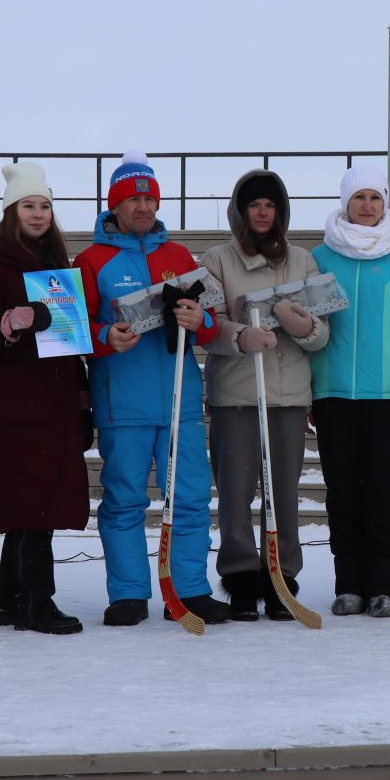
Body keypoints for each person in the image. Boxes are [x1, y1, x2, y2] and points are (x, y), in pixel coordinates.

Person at [73, 151, 230, 627]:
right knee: (123, 500)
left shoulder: (180, 256)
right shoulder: (92, 259)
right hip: (124, 403)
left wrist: (198, 319)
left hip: (179, 400)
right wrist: (105, 338)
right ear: (114, 205)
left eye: (149, 198)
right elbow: (76, 329)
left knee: (189, 497)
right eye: (133, 198)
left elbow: (208, 327)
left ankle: (190, 589)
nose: (143, 206)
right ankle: (128, 593)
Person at [0, 163, 92, 635]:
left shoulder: (54, 262)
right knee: (34, 503)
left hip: (53, 401)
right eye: (29, 206)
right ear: (12, 212)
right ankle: (38, 602)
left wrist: (80, 393)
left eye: (45, 206)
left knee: (37, 501)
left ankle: (13, 600)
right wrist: (7, 324)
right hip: (15, 403)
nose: (38, 214)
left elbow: (70, 339)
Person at [199, 170, 329, 621]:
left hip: (288, 395)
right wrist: (238, 336)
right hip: (236, 393)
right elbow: (206, 323)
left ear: (280, 212)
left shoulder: (304, 261)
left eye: (269, 205)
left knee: (283, 494)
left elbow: (322, 329)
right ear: (241, 210)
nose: (261, 212)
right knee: (235, 491)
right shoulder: (217, 260)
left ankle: (282, 576)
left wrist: (304, 327)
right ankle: (239, 576)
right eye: (253, 204)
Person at [310, 162, 390, 618]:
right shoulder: (322, 258)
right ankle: (349, 585)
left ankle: (384, 585)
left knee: (383, 492)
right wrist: (310, 393)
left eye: (375, 198)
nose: (367, 206)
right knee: (342, 492)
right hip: (334, 395)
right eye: (359, 198)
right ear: (345, 203)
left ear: (385, 203)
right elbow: (310, 330)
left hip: (389, 396)